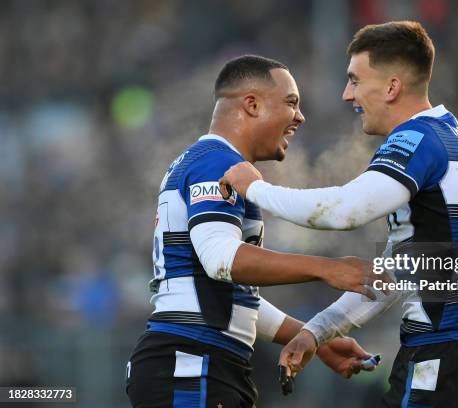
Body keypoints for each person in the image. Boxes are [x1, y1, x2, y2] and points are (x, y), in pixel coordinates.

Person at [220, 21, 458, 407]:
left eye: (355, 81)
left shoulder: (417, 140)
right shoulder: (453, 137)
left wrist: (255, 187)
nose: (347, 95)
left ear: (392, 87)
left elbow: (345, 210)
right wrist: (316, 331)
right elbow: (395, 272)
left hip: (447, 359)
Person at [126, 55, 383, 408]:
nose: (299, 117)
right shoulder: (217, 162)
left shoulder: (210, 161)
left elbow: (229, 297)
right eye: (291, 103)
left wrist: (313, 336)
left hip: (202, 360)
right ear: (252, 104)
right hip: (191, 362)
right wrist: (326, 268)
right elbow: (220, 260)